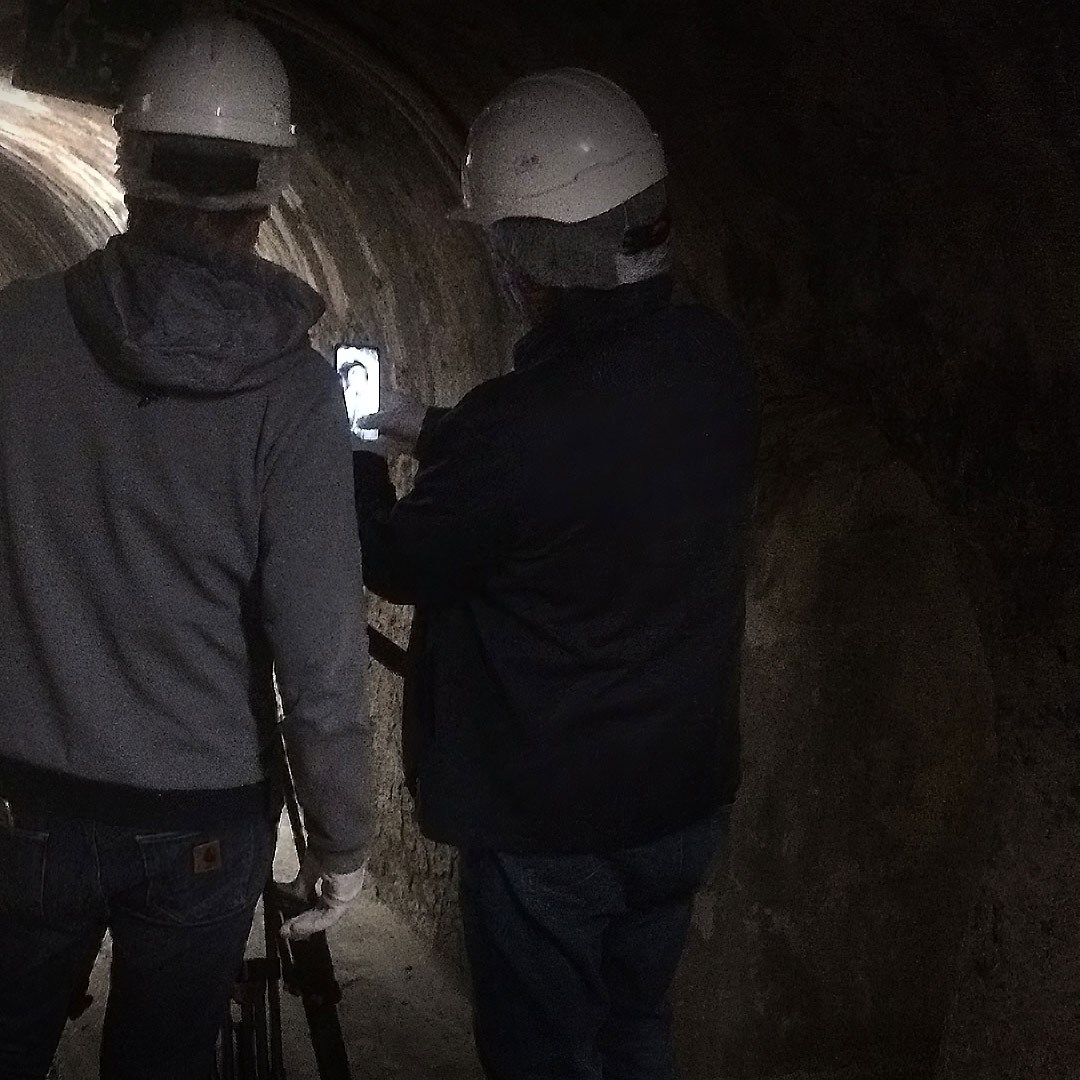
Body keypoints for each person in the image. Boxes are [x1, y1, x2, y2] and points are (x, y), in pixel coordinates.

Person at [0, 16, 372, 1079]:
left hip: (26, 795)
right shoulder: (294, 391)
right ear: (270, 188)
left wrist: (42, 678)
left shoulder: (6, 333)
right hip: (203, 816)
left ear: (127, 164)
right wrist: (341, 838)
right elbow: (318, 657)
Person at [353, 69, 758, 1080]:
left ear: (533, 259)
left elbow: (396, 558)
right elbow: (579, 466)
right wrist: (422, 425)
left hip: (553, 819)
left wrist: (356, 452)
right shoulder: (716, 362)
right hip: (681, 794)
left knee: (544, 1055)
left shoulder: (515, 428)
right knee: (635, 1029)